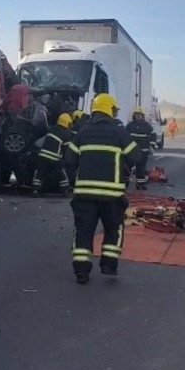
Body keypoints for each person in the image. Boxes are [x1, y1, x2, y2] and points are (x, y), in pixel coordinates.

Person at [64, 93, 141, 284]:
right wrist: (123, 167)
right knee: (113, 229)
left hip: (84, 195)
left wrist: (76, 181)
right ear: (111, 110)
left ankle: (81, 272)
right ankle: (108, 265)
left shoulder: (82, 131)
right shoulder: (118, 131)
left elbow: (69, 159)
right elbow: (136, 156)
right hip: (112, 196)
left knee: (83, 231)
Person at [32, 113, 73, 196]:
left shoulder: (52, 129)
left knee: (40, 172)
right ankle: (65, 190)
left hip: (42, 154)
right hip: (54, 156)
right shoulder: (66, 133)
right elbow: (67, 149)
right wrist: (68, 160)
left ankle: (35, 190)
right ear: (68, 123)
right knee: (61, 173)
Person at [125, 106, 157, 190]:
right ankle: (125, 182)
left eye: (140, 114)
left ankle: (140, 184)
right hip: (130, 151)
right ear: (134, 115)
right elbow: (124, 137)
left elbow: (153, 136)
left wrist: (151, 146)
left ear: (143, 116)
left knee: (141, 168)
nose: (138, 116)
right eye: (136, 114)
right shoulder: (129, 126)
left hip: (143, 151)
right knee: (126, 168)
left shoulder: (147, 126)